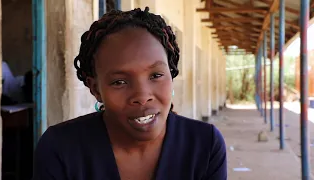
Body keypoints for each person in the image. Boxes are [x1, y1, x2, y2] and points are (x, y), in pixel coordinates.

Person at [32, 7, 227, 180]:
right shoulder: (61, 148)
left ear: (171, 74)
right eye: (120, 82)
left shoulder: (205, 145)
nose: (142, 96)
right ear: (96, 89)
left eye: (156, 75)